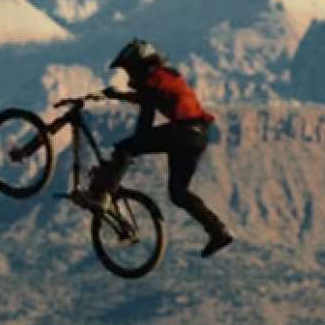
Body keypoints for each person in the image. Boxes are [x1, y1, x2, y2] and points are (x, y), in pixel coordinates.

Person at [88, 38, 234, 258]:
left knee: (125, 147)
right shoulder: (164, 77)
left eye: (130, 69)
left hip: (183, 132)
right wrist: (117, 95)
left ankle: (105, 195)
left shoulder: (154, 80)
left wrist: (134, 144)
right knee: (178, 193)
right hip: (198, 136)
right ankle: (218, 231)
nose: (129, 75)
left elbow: (145, 116)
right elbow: (146, 98)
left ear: (140, 64)